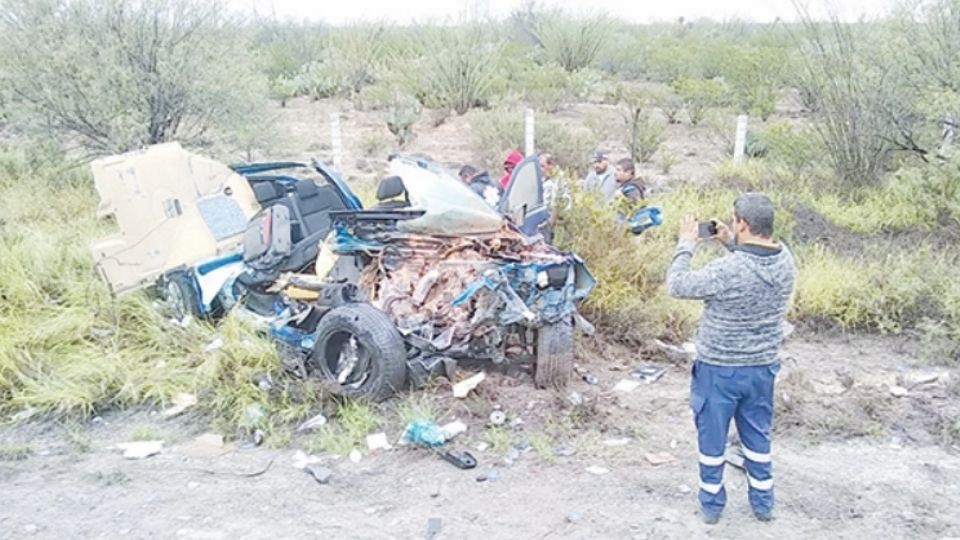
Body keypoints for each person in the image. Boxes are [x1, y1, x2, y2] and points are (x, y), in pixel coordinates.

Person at [666, 193, 796, 525]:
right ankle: (763, 502)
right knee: (757, 436)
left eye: (734, 220)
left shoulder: (728, 270)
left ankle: (712, 505)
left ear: (742, 223)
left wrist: (685, 244)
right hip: (762, 367)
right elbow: (753, 267)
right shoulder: (786, 261)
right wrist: (730, 243)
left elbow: (678, 285)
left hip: (719, 370)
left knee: (712, 438)